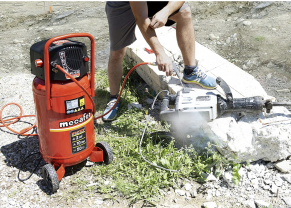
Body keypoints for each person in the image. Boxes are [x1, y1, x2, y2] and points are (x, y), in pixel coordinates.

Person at [102, 1, 217, 122]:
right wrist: (160, 53)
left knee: (184, 12)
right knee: (117, 53)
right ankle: (114, 98)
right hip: (122, 5)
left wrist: (166, 11)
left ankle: (191, 71)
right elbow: (141, 16)